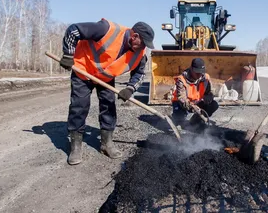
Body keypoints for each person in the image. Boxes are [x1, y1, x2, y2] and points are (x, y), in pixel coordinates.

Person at [59, 18, 154, 165]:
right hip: (83, 71)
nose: (143, 48)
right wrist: (68, 54)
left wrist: (130, 88)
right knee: (79, 106)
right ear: (134, 36)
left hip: (105, 78)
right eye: (142, 43)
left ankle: (106, 144)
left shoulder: (140, 54)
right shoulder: (107, 30)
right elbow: (74, 30)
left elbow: (140, 74)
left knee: (109, 106)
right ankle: (76, 147)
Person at [171, 58, 219, 132]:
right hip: (181, 104)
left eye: (201, 72)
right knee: (178, 121)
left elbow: (210, 91)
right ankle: (177, 119)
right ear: (191, 69)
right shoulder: (181, 80)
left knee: (214, 105)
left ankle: (195, 121)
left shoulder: (206, 77)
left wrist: (209, 96)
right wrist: (192, 107)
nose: (199, 75)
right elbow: (181, 98)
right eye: (197, 73)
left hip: (197, 102)